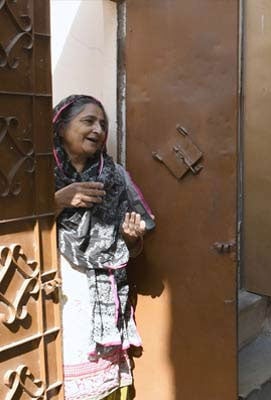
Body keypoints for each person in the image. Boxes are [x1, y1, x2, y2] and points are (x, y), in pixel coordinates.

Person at [53, 95, 150, 400]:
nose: (98, 129)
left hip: (101, 289)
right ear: (60, 127)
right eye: (88, 121)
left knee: (102, 378)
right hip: (55, 287)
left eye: (103, 124)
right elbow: (14, 228)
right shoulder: (35, 173)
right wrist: (56, 200)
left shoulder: (115, 176)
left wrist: (132, 238)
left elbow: (131, 245)